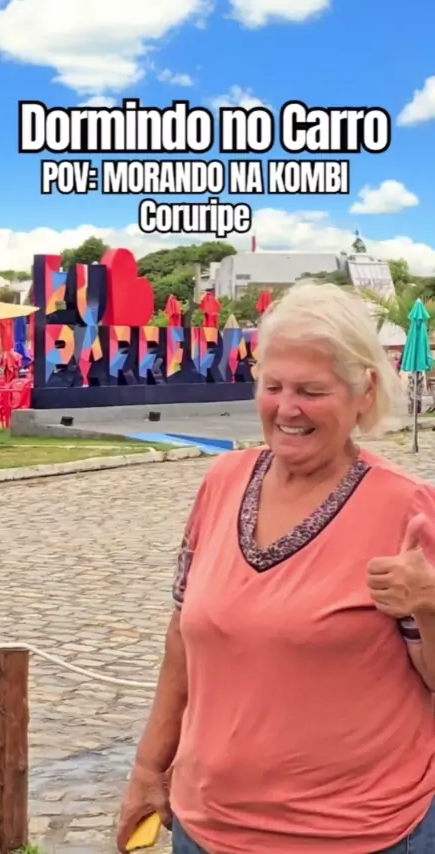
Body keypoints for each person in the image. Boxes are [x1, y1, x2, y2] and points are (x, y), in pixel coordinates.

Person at [117, 283, 435, 854]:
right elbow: (182, 638)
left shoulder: (405, 508)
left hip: (360, 836)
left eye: (312, 391)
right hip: (206, 829)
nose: (288, 409)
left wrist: (431, 605)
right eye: (273, 386)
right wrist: (147, 768)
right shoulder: (222, 482)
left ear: (363, 393)